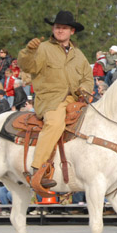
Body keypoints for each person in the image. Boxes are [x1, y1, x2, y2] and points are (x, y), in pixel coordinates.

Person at [18, 10, 93, 189]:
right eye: (57, 27)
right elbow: (27, 66)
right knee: (55, 124)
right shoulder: (42, 48)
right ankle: (38, 169)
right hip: (51, 99)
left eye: (64, 28)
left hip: (77, 101)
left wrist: (85, 90)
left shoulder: (79, 55)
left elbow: (88, 78)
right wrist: (28, 51)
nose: (60, 30)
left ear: (72, 31)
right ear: (53, 29)